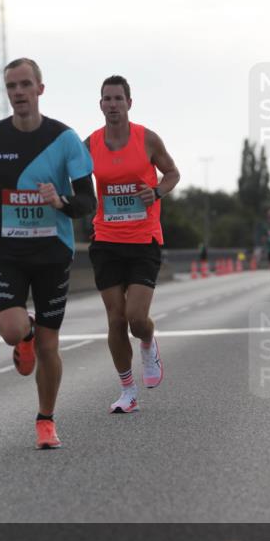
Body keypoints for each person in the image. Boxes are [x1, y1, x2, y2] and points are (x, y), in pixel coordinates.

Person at [0, 58, 96, 449]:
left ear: (40, 89)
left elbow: (87, 200)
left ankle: (46, 420)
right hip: (7, 250)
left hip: (53, 252)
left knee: (50, 348)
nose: (18, 93)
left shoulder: (65, 139)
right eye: (11, 87)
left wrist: (61, 202)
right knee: (11, 330)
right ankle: (26, 334)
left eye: (25, 85)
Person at [85, 76, 180, 414]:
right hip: (106, 239)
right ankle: (127, 390)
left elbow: (172, 174)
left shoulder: (147, 139)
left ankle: (148, 342)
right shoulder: (91, 143)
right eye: (107, 99)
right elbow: (77, 182)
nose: (113, 105)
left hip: (143, 239)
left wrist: (155, 192)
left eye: (118, 99)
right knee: (115, 319)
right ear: (100, 105)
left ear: (129, 102)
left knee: (137, 318)